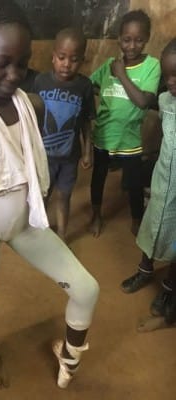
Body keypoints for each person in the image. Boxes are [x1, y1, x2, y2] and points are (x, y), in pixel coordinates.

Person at [0, 0, 99, 390]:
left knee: (87, 289)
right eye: (2, 62)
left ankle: (70, 357)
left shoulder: (34, 104)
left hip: (28, 220)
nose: (14, 75)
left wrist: (27, 209)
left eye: (23, 63)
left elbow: (24, 162)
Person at [120, 38, 176, 332]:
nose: (171, 82)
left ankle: (168, 287)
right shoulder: (166, 101)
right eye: (168, 76)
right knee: (151, 228)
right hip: (163, 181)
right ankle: (144, 270)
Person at [89, 9, 161, 238]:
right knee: (98, 178)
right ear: (119, 38)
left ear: (147, 38)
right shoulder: (109, 64)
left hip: (129, 140)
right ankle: (96, 215)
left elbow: (142, 102)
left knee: (133, 184)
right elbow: (90, 87)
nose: (132, 46)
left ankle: (137, 221)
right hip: (103, 135)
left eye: (139, 40)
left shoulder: (152, 66)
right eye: (127, 40)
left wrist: (121, 74)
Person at [33, 27, 95, 242]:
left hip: (70, 157)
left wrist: (87, 152)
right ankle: (40, 231)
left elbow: (87, 122)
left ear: (82, 61)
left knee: (64, 196)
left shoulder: (84, 86)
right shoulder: (40, 82)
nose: (67, 64)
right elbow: (31, 118)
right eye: (62, 57)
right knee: (43, 195)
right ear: (53, 57)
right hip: (44, 157)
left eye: (74, 59)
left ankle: (61, 235)